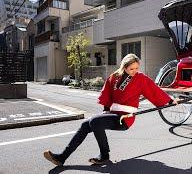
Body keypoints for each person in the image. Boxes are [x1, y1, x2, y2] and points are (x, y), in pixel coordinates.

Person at [43, 53, 178, 166]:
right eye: (132, 68)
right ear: (124, 67)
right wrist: (106, 110)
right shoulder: (114, 77)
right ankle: (62, 157)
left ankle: (104, 155)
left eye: (137, 68)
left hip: (125, 117)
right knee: (85, 125)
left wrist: (170, 100)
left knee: (94, 122)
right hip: (113, 114)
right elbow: (107, 95)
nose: (135, 71)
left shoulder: (140, 78)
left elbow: (154, 90)